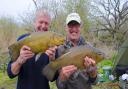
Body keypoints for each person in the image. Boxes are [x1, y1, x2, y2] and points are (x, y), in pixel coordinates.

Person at [7, 9, 57, 89]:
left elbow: (52, 78)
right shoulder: (22, 40)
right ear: (35, 23)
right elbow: (10, 73)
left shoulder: (52, 45)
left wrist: (52, 60)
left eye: (46, 23)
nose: (43, 26)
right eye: (41, 22)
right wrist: (19, 61)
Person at [56, 13, 99, 89]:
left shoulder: (89, 48)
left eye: (76, 25)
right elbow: (59, 86)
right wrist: (62, 78)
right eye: (70, 25)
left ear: (80, 27)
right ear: (66, 28)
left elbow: (95, 82)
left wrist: (93, 73)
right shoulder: (59, 49)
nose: (74, 29)